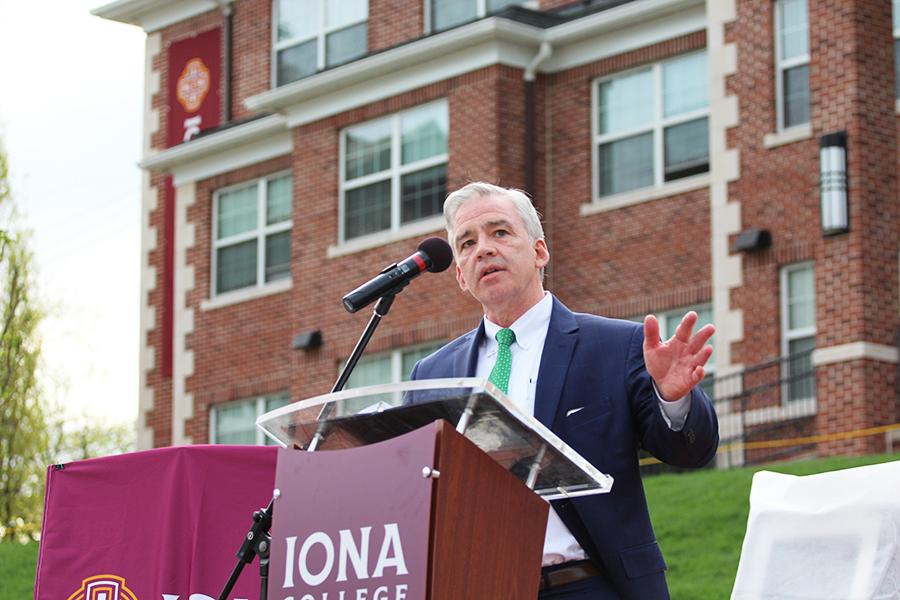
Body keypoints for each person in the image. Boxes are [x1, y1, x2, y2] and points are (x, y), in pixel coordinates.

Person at [409, 182, 718, 599]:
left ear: (539, 252)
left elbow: (690, 451)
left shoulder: (615, 347)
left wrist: (674, 397)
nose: (483, 248)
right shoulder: (432, 375)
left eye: (500, 233)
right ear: (461, 275)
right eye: (467, 242)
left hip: (587, 585)